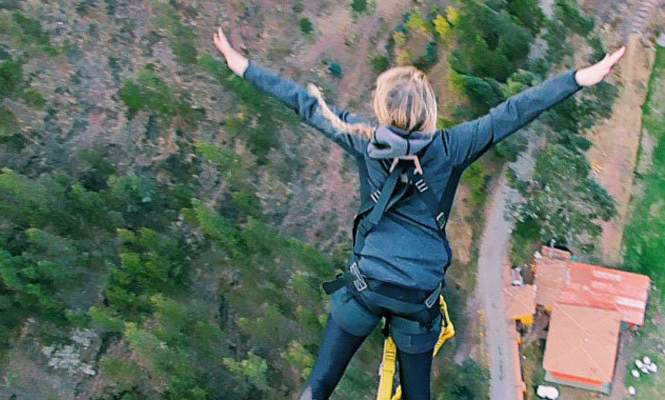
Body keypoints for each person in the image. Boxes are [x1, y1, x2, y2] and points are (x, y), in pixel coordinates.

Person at [211, 27, 624, 400]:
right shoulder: (452, 147)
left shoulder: (362, 138)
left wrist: (242, 66)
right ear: (429, 112)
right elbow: (514, 112)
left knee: (319, 385)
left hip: (365, 284)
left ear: (381, 107)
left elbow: (304, 104)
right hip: (417, 299)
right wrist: (578, 79)